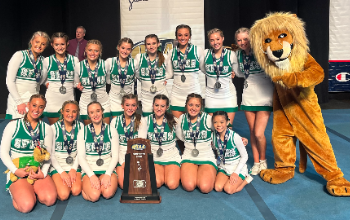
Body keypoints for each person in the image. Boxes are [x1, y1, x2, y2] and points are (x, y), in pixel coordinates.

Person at [0, 94, 56, 213]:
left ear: (44, 109)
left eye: (41, 107)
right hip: (19, 169)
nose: (36, 110)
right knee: (26, 206)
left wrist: (43, 173)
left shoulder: (46, 128)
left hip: (36, 170)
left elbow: (48, 155)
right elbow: (3, 152)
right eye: (34, 105)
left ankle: (32, 187)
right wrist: (15, 171)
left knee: (50, 199)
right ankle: (19, 190)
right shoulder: (13, 125)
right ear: (28, 105)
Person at [235, 27, 273, 175]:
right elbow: (240, 72)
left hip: (264, 93)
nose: (242, 42)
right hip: (249, 92)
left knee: (258, 133)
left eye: (245, 39)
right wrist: (234, 72)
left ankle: (263, 160)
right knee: (252, 131)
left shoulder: (262, 50)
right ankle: (256, 162)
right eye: (239, 40)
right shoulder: (238, 54)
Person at [77, 101, 119, 202]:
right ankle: (86, 188)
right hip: (90, 169)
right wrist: (91, 175)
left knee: (107, 193)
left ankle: (100, 182)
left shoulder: (112, 130)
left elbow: (115, 155)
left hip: (107, 168)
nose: (95, 115)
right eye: (92, 112)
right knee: (95, 196)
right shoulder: (83, 131)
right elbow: (81, 157)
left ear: (102, 112)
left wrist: (108, 173)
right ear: (88, 115)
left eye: (98, 111)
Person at [176, 93, 216, 193]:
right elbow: (180, 137)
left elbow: (221, 130)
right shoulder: (182, 119)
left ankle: (207, 172)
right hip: (189, 156)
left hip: (206, 156)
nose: (193, 108)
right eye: (190, 105)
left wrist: (239, 138)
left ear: (201, 107)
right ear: (186, 105)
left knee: (205, 187)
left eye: (197, 106)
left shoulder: (208, 119)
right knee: (189, 186)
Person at [138, 94, 181, 189]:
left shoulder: (174, 121)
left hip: (171, 157)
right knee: (156, 183)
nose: (159, 108)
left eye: (162, 106)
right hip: (154, 157)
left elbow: (183, 138)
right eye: (156, 105)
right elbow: (141, 142)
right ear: (153, 105)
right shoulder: (145, 121)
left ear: (167, 107)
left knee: (172, 184)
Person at [5, 31, 50, 120]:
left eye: (43, 44)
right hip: (18, 100)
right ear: (31, 41)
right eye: (37, 42)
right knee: (17, 129)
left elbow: (42, 80)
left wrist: (50, 84)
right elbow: (10, 81)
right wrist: (19, 102)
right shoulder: (19, 55)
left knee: (34, 130)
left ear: (46, 46)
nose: (39, 45)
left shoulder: (44, 61)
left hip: (34, 101)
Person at [166, 24, 205, 119]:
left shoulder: (198, 50)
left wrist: (228, 73)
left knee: (195, 127)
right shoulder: (171, 52)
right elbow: (169, 74)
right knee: (178, 127)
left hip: (194, 94)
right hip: (177, 95)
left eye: (186, 35)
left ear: (190, 36)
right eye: (180, 35)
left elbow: (206, 70)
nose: (183, 38)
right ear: (176, 36)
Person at [201, 28, 238, 126]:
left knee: (228, 128)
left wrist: (232, 73)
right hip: (211, 96)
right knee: (213, 128)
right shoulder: (205, 54)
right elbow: (202, 69)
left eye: (217, 39)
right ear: (209, 41)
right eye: (212, 40)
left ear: (222, 39)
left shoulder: (231, 54)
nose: (215, 42)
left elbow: (237, 71)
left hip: (228, 96)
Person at [42, 32, 80, 125]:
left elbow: (76, 81)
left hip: (69, 99)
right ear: (52, 45)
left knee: (69, 130)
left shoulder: (74, 60)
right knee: (55, 131)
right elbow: (42, 79)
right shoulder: (47, 60)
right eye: (56, 44)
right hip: (53, 100)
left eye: (62, 44)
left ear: (67, 44)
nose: (60, 47)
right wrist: (47, 83)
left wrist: (78, 84)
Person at [49, 100, 84, 200]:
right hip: (58, 165)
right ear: (62, 112)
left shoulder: (80, 127)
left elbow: (81, 152)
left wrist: (73, 169)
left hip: (74, 164)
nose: (70, 114)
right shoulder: (53, 128)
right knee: (64, 195)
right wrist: (61, 172)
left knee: (76, 191)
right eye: (67, 111)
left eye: (74, 111)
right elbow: (51, 154)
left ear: (77, 113)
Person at [212, 111, 253, 194]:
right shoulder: (213, 136)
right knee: (218, 187)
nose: (218, 125)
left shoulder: (235, 137)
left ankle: (246, 180)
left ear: (227, 122)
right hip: (224, 166)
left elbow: (245, 156)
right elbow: (214, 148)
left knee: (229, 190)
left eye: (222, 122)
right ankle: (228, 178)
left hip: (236, 167)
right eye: (215, 122)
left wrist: (236, 172)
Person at [75, 39, 111, 125]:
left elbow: (109, 81)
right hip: (86, 102)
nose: (92, 53)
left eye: (96, 51)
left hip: (103, 102)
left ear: (100, 52)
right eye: (90, 50)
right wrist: (78, 85)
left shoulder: (105, 64)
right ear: (86, 50)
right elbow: (75, 82)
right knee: (90, 132)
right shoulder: (78, 66)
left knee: (105, 130)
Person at [110, 94, 141, 189]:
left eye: (133, 105)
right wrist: (122, 162)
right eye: (127, 105)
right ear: (122, 105)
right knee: (125, 185)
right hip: (120, 156)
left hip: (136, 155)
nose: (130, 108)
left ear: (137, 106)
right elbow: (113, 147)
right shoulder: (115, 122)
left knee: (138, 183)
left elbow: (141, 146)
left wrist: (131, 161)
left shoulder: (141, 121)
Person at [134, 34, 168, 116]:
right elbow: (136, 73)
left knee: (163, 121)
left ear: (158, 44)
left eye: (154, 43)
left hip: (161, 94)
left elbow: (170, 73)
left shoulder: (165, 57)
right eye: (148, 44)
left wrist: (162, 79)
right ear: (145, 45)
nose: (151, 46)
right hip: (146, 96)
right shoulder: (139, 57)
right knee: (147, 123)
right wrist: (145, 80)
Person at [105, 37, 135, 117]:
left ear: (131, 50)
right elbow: (107, 79)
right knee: (116, 124)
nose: (125, 51)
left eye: (128, 49)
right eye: (123, 48)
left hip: (129, 100)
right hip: (114, 99)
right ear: (118, 47)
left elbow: (141, 77)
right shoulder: (110, 61)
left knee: (129, 124)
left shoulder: (134, 63)